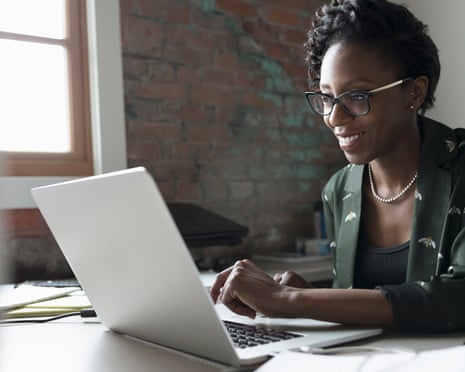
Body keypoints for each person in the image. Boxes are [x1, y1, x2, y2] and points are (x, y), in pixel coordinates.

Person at [210, 0, 465, 332]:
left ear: (414, 92)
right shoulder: (339, 190)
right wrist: (305, 294)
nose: (334, 117)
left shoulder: (459, 169)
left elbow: (456, 297)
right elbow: (364, 300)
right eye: (327, 98)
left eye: (357, 96)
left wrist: (286, 301)